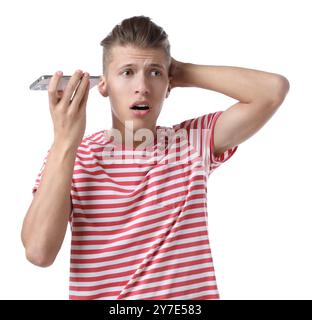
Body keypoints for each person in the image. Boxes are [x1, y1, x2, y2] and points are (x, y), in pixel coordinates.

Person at [21, 15, 290, 300]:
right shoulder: (69, 158)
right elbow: (38, 252)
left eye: (154, 74)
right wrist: (65, 142)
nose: (142, 87)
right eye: (127, 72)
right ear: (103, 85)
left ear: (168, 84)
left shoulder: (191, 142)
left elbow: (272, 90)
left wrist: (180, 70)